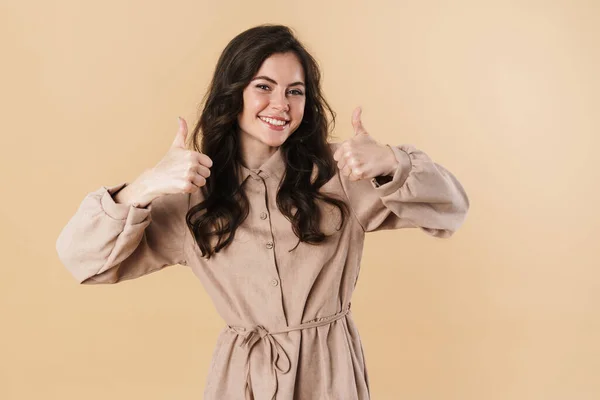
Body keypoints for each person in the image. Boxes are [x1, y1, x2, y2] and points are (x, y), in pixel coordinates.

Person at [56, 24, 469, 400]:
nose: (281, 104)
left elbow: (450, 209)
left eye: (295, 90)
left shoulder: (341, 173)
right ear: (233, 92)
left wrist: (391, 161)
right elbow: (81, 259)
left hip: (329, 377)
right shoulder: (193, 192)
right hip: (242, 382)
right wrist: (144, 186)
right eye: (263, 87)